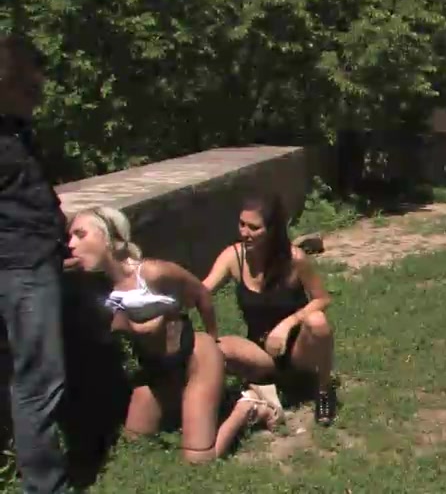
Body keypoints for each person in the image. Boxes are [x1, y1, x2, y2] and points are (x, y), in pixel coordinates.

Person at [66, 206, 281, 463]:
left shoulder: (152, 273)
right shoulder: (95, 289)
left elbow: (201, 294)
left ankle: (248, 407)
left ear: (111, 239)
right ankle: (197, 392)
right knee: (135, 443)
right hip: (158, 369)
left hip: (194, 356)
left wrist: (212, 339)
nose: (71, 245)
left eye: (80, 235)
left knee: (199, 459)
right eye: (69, 237)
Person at [0, 33, 74, 493]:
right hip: (20, 269)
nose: (38, 96)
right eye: (30, 88)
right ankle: (46, 487)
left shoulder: (15, 130)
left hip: (33, 260)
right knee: (38, 382)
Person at [203, 193, 337, 426]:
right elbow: (203, 290)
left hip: (297, 351)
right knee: (214, 347)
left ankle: (324, 391)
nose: (245, 232)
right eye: (242, 224)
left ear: (272, 230)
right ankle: (209, 406)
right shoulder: (234, 256)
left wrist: (287, 324)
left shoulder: (294, 259)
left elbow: (322, 299)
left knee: (318, 321)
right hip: (260, 351)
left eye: (254, 227)